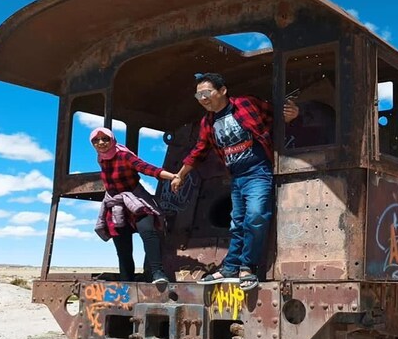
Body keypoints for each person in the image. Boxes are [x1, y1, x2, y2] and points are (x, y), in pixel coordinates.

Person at [172, 73, 298, 291]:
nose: (202, 98)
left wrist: (292, 115)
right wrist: (181, 174)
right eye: (198, 95)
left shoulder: (245, 104)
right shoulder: (208, 122)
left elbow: (276, 113)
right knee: (237, 223)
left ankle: (248, 267)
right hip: (237, 176)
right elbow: (199, 150)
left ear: (222, 91)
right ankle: (230, 268)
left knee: (256, 217)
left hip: (258, 170)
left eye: (206, 93)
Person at [91, 127, 177, 285]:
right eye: (96, 140)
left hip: (135, 199)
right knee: (122, 246)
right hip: (116, 205)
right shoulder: (101, 158)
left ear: (112, 140)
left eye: (105, 139)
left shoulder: (123, 155)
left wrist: (171, 176)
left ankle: (158, 273)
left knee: (148, 231)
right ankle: (126, 281)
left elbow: (146, 168)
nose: (101, 143)